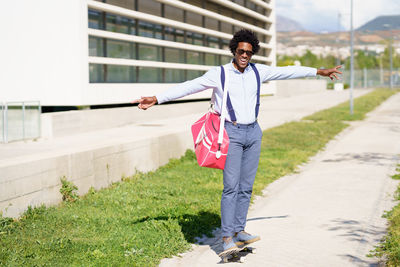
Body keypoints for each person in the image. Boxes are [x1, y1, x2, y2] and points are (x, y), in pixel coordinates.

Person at [133, 29, 341, 255]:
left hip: (253, 132)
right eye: (241, 51)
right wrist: (157, 98)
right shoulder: (219, 74)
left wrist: (319, 71)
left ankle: (239, 231)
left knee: (246, 187)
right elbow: (189, 86)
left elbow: (287, 72)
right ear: (234, 50)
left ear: (253, 54)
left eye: (249, 53)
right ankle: (226, 238)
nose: (244, 56)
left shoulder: (257, 71)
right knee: (231, 187)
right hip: (230, 134)